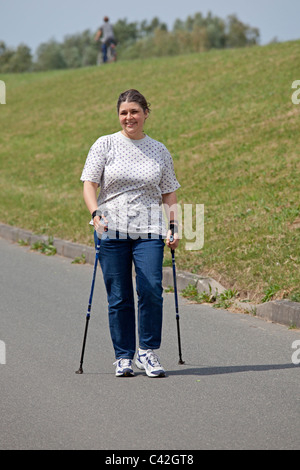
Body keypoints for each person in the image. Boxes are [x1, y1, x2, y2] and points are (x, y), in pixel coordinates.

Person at [80, 89, 180, 378]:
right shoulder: (105, 144)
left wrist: (173, 226)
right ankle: (123, 356)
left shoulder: (159, 150)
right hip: (111, 229)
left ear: (146, 113)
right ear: (118, 116)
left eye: (134, 111)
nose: (129, 117)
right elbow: (89, 184)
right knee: (119, 295)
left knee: (151, 290)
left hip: (149, 229)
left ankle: (147, 351)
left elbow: (169, 193)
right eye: (124, 112)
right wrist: (94, 212)